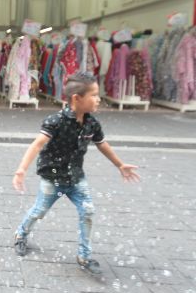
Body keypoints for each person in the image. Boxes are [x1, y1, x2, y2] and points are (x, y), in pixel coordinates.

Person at [11, 72, 140, 275]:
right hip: (53, 178)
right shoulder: (55, 121)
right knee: (39, 212)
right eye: (94, 95)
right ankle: (21, 234)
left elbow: (102, 144)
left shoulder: (92, 123)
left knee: (88, 211)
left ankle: (84, 256)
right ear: (76, 99)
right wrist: (21, 170)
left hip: (76, 178)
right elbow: (37, 145)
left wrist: (120, 165)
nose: (98, 99)